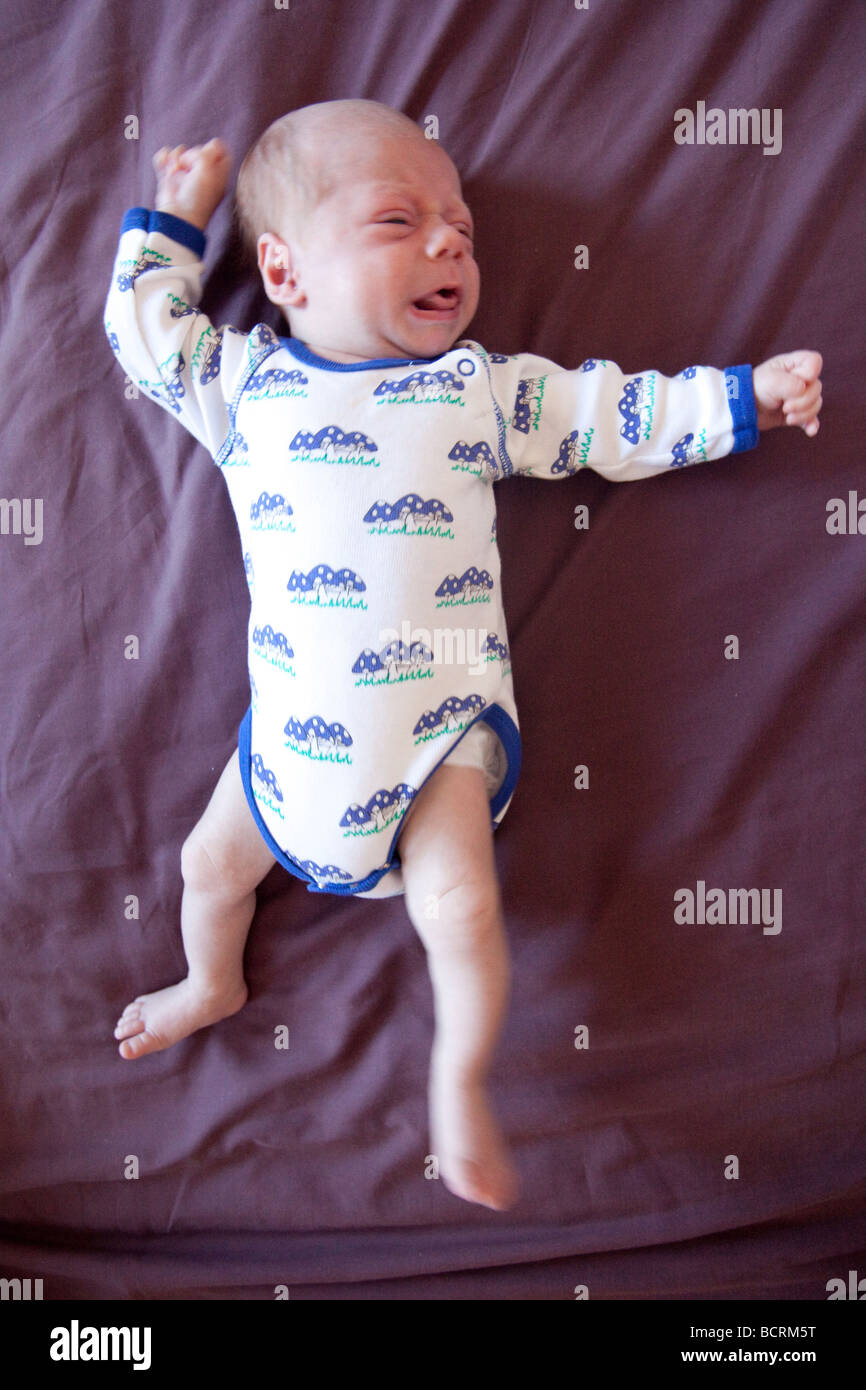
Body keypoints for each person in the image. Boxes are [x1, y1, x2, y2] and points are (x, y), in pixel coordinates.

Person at [104, 98, 823, 1211]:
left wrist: (739, 401)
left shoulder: (473, 389)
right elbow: (143, 334)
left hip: (435, 741)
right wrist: (178, 219)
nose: (449, 242)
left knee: (460, 907)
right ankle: (210, 980)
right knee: (206, 870)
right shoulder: (247, 388)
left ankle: (456, 1080)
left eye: (462, 228)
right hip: (282, 758)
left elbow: (606, 416)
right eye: (401, 220)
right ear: (285, 273)